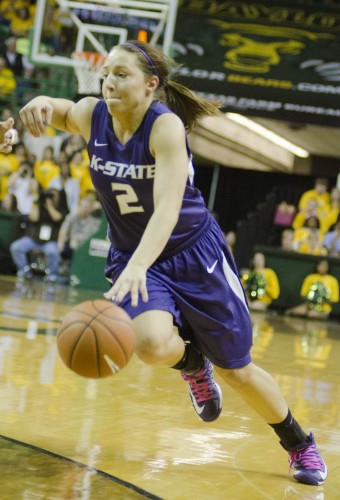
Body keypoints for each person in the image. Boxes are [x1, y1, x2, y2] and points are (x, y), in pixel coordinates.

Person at [19, 40, 327, 486]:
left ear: (151, 84)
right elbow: (58, 111)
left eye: (121, 74)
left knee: (236, 370)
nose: (109, 81)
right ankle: (191, 367)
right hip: (137, 256)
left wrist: (139, 265)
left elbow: (166, 208)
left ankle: (298, 442)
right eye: (106, 72)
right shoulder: (93, 115)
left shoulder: (165, 128)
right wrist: (37, 105)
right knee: (147, 343)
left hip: (192, 254)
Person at [10, 187, 68, 281]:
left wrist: (49, 206)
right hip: (33, 239)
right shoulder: (39, 207)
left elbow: (58, 218)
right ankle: (24, 270)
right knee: (16, 247)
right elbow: (34, 218)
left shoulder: (61, 208)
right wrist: (37, 202)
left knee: (53, 252)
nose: (50, 198)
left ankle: (52, 275)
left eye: (53, 196)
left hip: (50, 242)